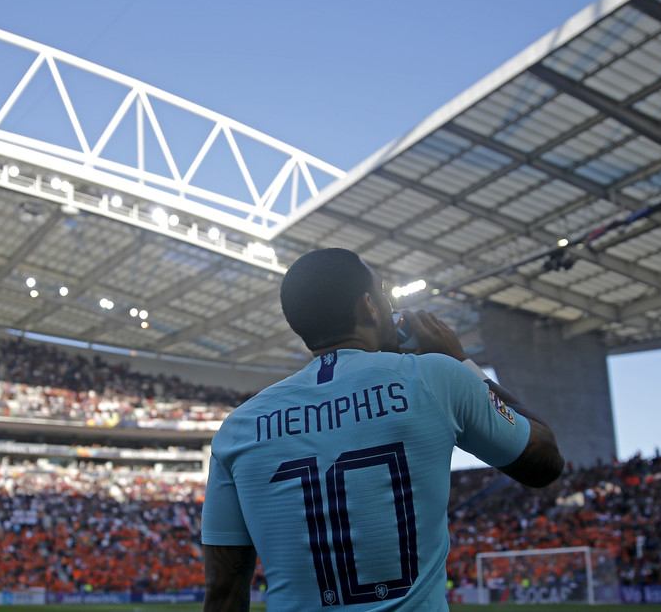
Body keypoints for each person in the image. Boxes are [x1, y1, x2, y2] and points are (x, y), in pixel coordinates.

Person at [202, 248, 563, 611]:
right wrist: (462, 363)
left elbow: (224, 589)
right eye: (383, 292)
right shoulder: (436, 377)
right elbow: (545, 462)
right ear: (368, 307)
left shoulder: (239, 427)